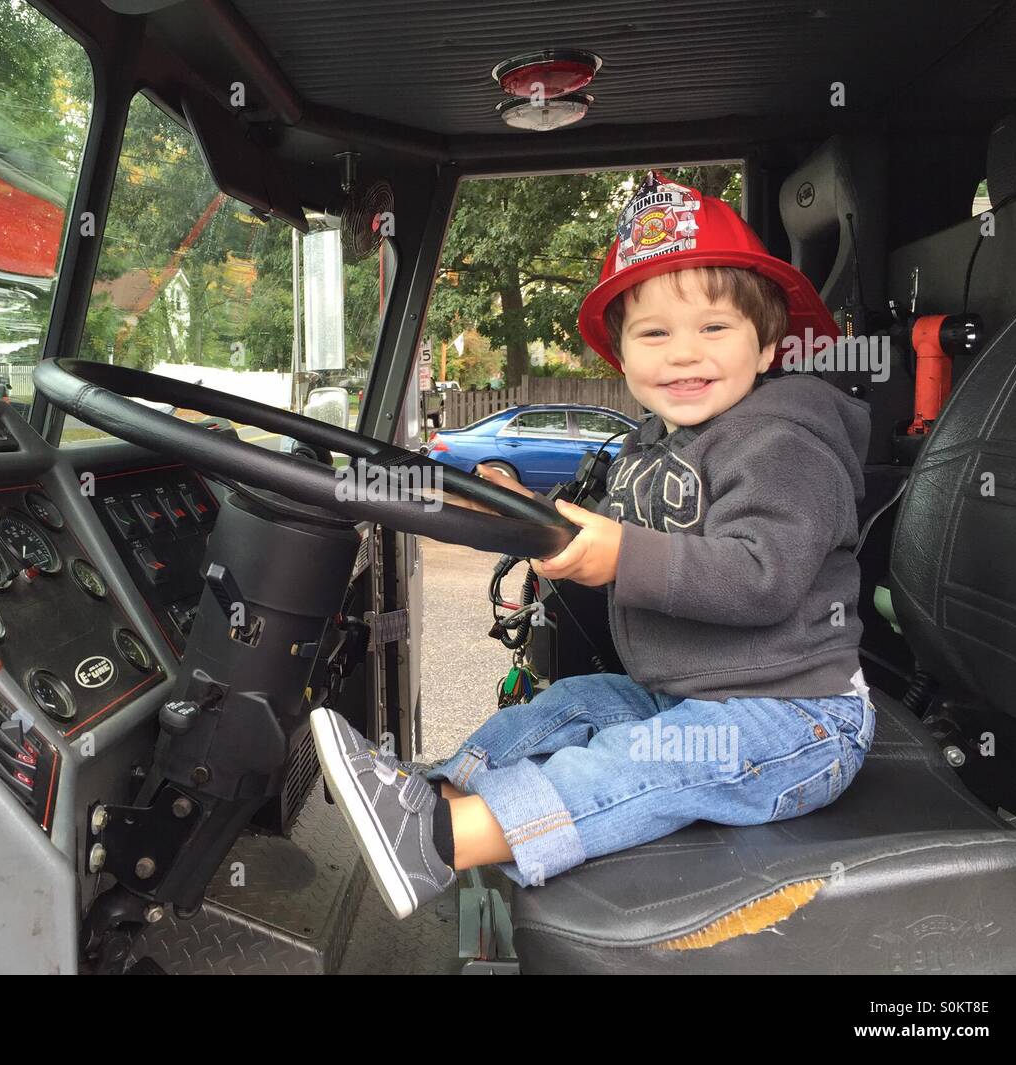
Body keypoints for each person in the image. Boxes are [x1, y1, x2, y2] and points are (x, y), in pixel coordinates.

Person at [310, 171, 876, 920]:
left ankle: (445, 839)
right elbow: (602, 523)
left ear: (768, 342)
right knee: (571, 703)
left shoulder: (785, 442)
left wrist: (626, 557)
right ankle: (432, 789)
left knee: (652, 757)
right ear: (621, 353)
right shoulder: (657, 444)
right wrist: (526, 508)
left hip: (796, 716)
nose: (683, 354)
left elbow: (759, 575)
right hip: (686, 690)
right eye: (655, 333)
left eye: (714, 328)